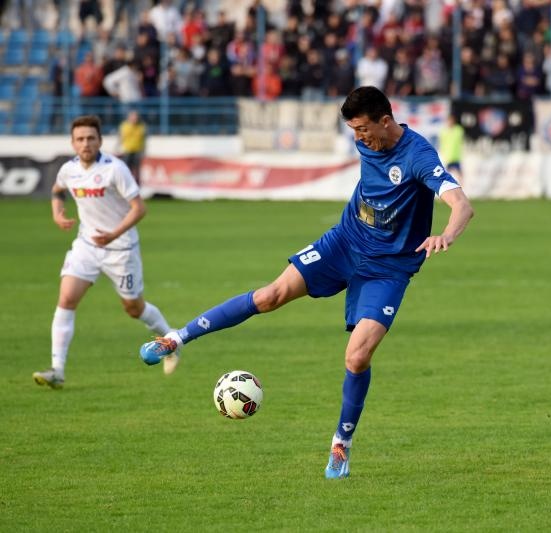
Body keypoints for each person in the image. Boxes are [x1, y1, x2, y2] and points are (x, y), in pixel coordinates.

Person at [139, 86, 474, 479]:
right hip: (345, 242)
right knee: (270, 295)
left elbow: (462, 204)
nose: (358, 138)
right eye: (353, 130)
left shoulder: (418, 156)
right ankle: (174, 339)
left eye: (363, 129)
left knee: (357, 357)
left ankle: (341, 444)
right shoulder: (369, 140)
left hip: (388, 269)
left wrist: (446, 235)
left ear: (386, 121)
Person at [33, 115, 178, 390]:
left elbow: (139, 208)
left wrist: (113, 234)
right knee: (66, 298)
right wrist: (56, 213)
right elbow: (56, 190)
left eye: (90, 138)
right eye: (80, 139)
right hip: (86, 245)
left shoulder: (115, 169)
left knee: (134, 309)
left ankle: (170, 343)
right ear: (72, 143)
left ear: (99, 140)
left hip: (120, 249)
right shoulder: (68, 170)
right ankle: (57, 370)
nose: (85, 143)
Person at [118, 109, 146, 184]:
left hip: (137, 150)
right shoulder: (124, 126)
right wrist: (118, 148)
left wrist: (143, 150)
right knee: (126, 169)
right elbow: (121, 137)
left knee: (137, 170)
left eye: (136, 117)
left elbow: (143, 139)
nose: (134, 119)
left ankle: (137, 186)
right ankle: (126, 184)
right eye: (133, 117)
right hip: (127, 150)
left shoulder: (141, 126)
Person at [438, 113, 465, 185]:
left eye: (451, 120)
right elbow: (442, 143)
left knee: (460, 173)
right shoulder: (444, 131)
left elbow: (461, 138)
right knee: (446, 174)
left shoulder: (458, 129)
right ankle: (447, 187)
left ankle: (462, 187)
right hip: (447, 157)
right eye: (449, 120)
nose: (450, 122)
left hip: (456, 156)